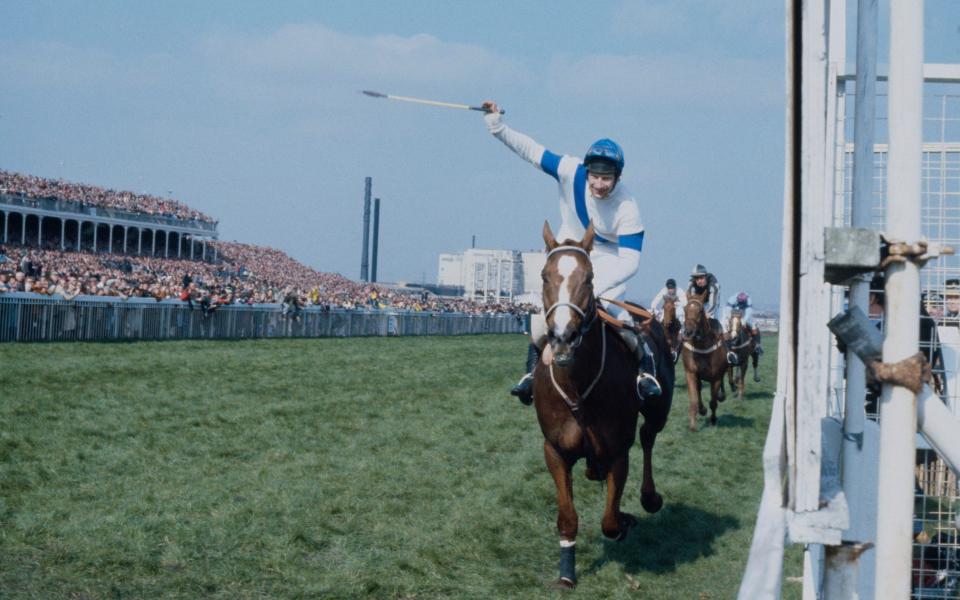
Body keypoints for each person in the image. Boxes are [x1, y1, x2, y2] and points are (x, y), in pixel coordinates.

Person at [481, 100, 659, 405]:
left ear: (617, 178)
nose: (599, 185)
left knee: (622, 317)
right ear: (587, 170)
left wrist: (594, 287)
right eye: (595, 176)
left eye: (607, 179)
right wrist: (498, 127)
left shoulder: (628, 207)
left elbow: (632, 261)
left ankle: (645, 372)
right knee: (543, 319)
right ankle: (531, 373)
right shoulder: (570, 170)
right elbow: (532, 151)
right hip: (567, 248)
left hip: (607, 261)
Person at [721, 291, 763, 365]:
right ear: (737, 299)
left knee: (754, 327)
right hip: (732, 312)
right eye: (739, 301)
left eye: (742, 302)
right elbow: (727, 309)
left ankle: (757, 346)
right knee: (724, 326)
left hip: (744, 312)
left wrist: (744, 320)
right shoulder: (732, 299)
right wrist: (729, 318)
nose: (740, 303)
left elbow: (748, 312)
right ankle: (724, 347)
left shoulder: (748, 300)